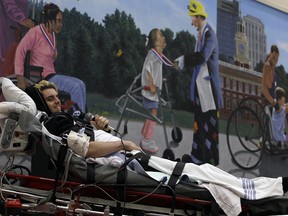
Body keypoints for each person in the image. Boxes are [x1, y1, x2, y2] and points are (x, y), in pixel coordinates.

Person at [22, 80, 288, 216]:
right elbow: (87, 151)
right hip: (125, 163)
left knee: (203, 171)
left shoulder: (64, 119)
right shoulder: (54, 124)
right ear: (41, 103)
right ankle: (273, 194)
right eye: (51, 99)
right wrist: (123, 142)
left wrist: (97, 125)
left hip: (128, 161)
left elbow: (87, 139)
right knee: (206, 181)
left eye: (58, 97)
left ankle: (272, 189)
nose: (58, 102)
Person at [174, 0, 222, 165]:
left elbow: (202, 57)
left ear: (199, 16)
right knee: (199, 126)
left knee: (210, 129)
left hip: (209, 93)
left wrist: (184, 59)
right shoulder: (201, 35)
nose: (191, 22)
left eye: (193, 18)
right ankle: (197, 158)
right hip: (201, 91)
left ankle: (210, 162)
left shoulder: (210, 35)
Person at [14, 3, 87, 113]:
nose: (61, 24)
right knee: (75, 87)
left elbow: (52, 56)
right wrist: (20, 77)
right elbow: (20, 50)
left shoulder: (52, 35)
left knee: (81, 84)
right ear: (50, 20)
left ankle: (83, 116)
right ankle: (78, 119)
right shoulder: (35, 32)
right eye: (58, 21)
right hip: (41, 76)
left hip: (51, 74)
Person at [140, 28, 173, 153]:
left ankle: (145, 133)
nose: (163, 37)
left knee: (151, 112)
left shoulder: (158, 55)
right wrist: (152, 84)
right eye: (161, 35)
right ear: (155, 41)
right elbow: (147, 69)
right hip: (150, 90)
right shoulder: (153, 54)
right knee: (153, 113)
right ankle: (147, 140)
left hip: (153, 91)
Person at [0, 0, 35, 77]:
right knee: (6, 64)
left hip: (19, 31)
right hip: (7, 31)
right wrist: (22, 19)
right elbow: (10, 6)